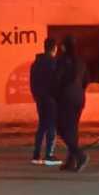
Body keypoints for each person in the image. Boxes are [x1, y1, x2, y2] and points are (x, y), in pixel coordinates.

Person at [55, 35, 90, 172]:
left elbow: (57, 79)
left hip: (66, 98)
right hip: (79, 98)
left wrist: (56, 94)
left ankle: (80, 155)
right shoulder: (81, 61)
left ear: (64, 46)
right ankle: (71, 161)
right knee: (73, 129)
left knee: (62, 128)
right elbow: (87, 80)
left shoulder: (62, 61)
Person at [29, 38, 61, 166]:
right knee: (52, 126)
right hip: (51, 99)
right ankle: (49, 154)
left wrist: (36, 96)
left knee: (42, 125)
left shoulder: (36, 63)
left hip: (40, 98)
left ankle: (36, 154)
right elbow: (58, 82)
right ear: (54, 48)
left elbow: (32, 83)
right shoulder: (54, 63)